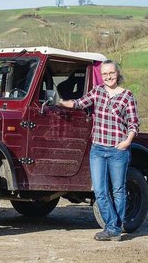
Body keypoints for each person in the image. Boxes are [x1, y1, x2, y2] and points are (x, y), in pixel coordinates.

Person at [58, 60, 139, 241]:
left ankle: (114, 229)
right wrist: (60, 103)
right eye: (104, 74)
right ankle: (113, 226)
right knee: (100, 191)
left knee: (118, 190)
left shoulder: (127, 96)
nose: (108, 77)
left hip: (118, 150)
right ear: (101, 76)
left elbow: (134, 123)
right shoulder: (97, 92)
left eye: (111, 73)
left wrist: (127, 142)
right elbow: (79, 103)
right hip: (98, 149)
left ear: (117, 73)